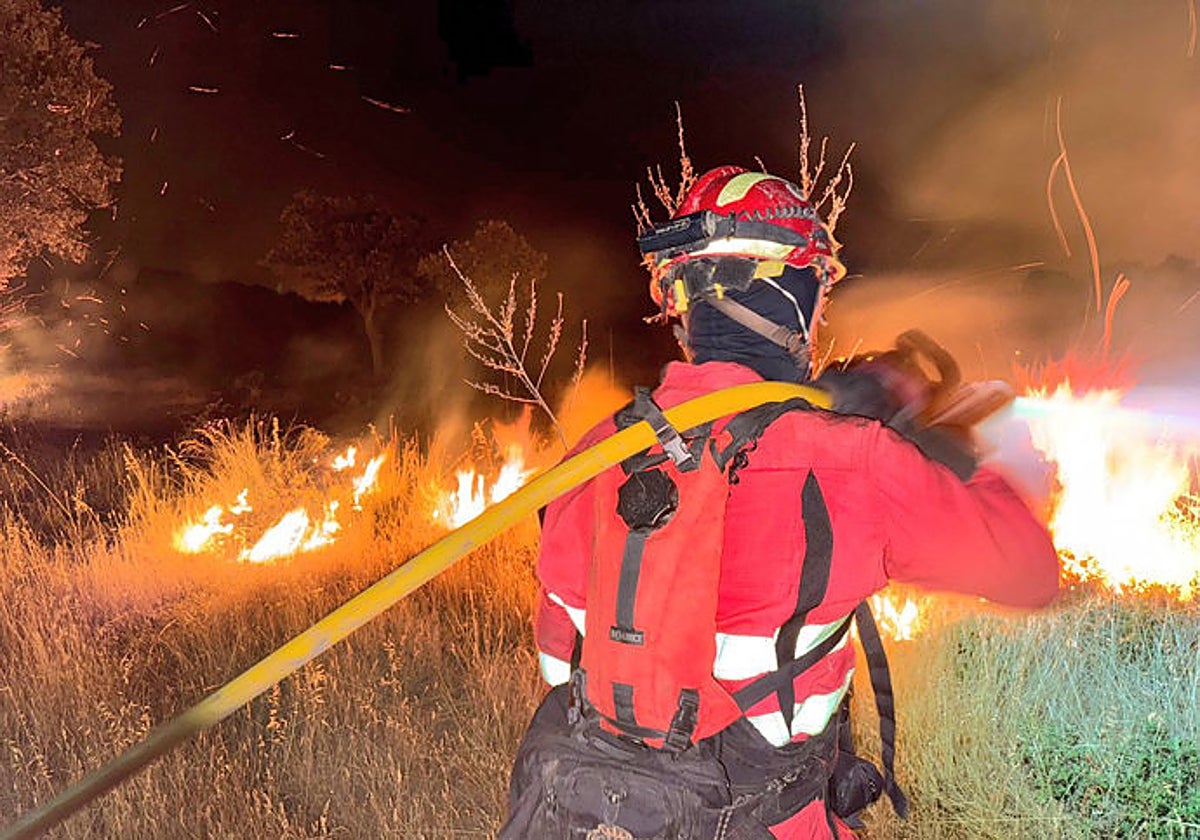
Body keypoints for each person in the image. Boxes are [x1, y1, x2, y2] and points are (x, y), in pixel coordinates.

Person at [499, 166, 1061, 839]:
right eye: (818, 289)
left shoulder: (595, 453)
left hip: (589, 814)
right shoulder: (854, 461)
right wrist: (965, 457)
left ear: (680, 300)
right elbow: (1029, 571)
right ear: (793, 292)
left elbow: (561, 659)